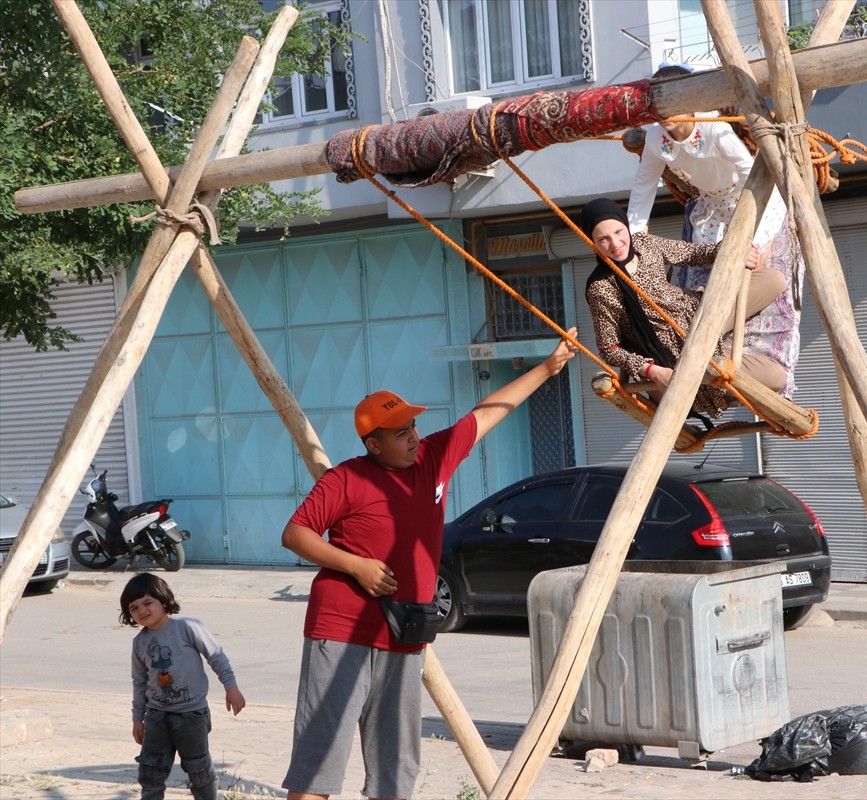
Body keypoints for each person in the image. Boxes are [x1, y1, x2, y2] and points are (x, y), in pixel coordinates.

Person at [279, 331, 577, 800]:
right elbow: (295, 534)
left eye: (414, 427)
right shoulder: (346, 479)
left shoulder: (432, 460)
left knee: (396, 768)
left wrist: (546, 367)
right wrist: (356, 567)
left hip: (406, 632)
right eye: (401, 433)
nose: (414, 437)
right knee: (320, 760)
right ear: (373, 444)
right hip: (342, 630)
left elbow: (484, 415)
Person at [627, 64, 802, 398]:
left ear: (691, 101)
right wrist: (636, 241)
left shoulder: (714, 129)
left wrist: (757, 238)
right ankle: (698, 345)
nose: (665, 116)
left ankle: (748, 357)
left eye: (672, 106)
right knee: (704, 279)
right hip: (710, 210)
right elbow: (643, 189)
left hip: (751, 198)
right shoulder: (654, 137)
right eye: (659, 108)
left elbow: (753, 172)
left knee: (759, 273)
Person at [582, 197, 785, 419]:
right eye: (603, 239)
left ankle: (720, 355)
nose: (615, 243)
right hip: (675, 353)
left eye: (619, 232)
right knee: (777, 378)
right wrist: (653, 371)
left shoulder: (644, 244)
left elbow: (690, 253)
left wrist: (732, 252)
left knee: (774, 280)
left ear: (626, 227)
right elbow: (609, 349)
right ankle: (718, 386)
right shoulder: (600, 287)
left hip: (700, 313)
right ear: (591, 242)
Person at [120, 572, 246, 800]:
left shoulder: (188, 626)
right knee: (150, 772)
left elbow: (216, 656)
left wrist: (231, 687)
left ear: (164, 601)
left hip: (192, 715)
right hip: (156, 716)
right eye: (134, 608)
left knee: (198, 771)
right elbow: (139, 682)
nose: (142, 611)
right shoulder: (139, 642)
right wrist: (137, 719)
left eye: (148, 603)